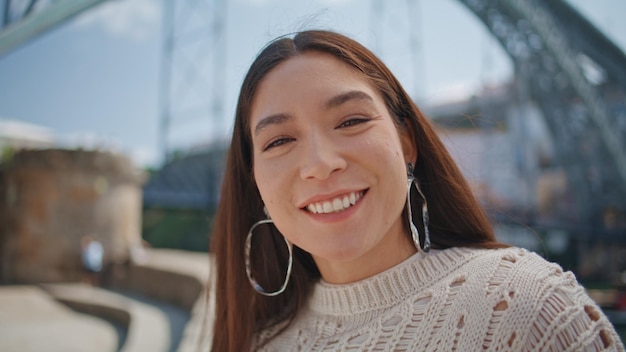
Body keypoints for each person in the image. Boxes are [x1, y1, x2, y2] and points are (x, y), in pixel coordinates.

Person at [207, 30, 624, 351]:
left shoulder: (526, 305)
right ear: (256, 182)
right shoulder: (259, 344)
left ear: (407, 143)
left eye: (350, 121)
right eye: (279, 141)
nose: (320, 163)